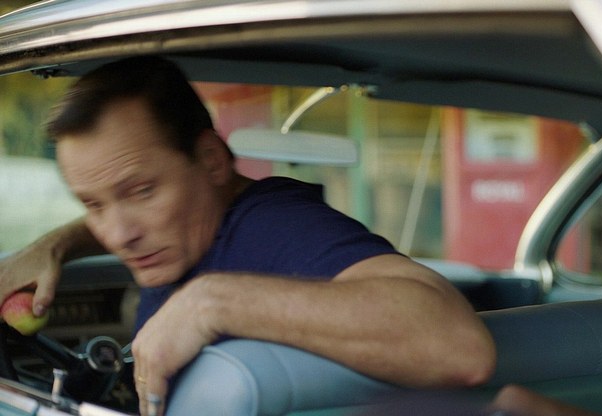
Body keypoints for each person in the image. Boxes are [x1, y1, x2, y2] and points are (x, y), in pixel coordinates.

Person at [0, 56, 495, 415]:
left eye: (143, 191)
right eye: (93, 204)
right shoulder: (179, 230)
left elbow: (460, 348)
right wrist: (54, 246)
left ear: (212, 160)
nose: (118, 234)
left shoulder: (274, 226)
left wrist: (209, 302)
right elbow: (120, 210)